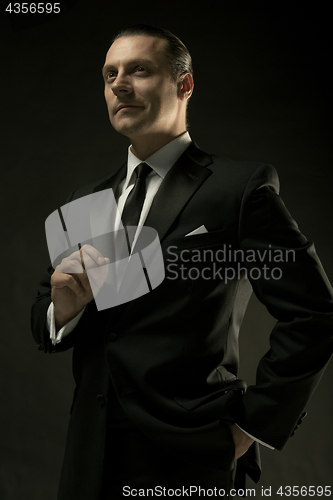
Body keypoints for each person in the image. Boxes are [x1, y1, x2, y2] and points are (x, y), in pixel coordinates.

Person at [31, 25, 333, 500]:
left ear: (184, 84)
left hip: (192, 452)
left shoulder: (238, 189)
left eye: (139, 70)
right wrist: (62, 311)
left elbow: (314, 311)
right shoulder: (84, 200)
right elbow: (44, 315)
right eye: (110, 74)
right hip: (90, 453)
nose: (119, 84)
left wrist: (253, 425)